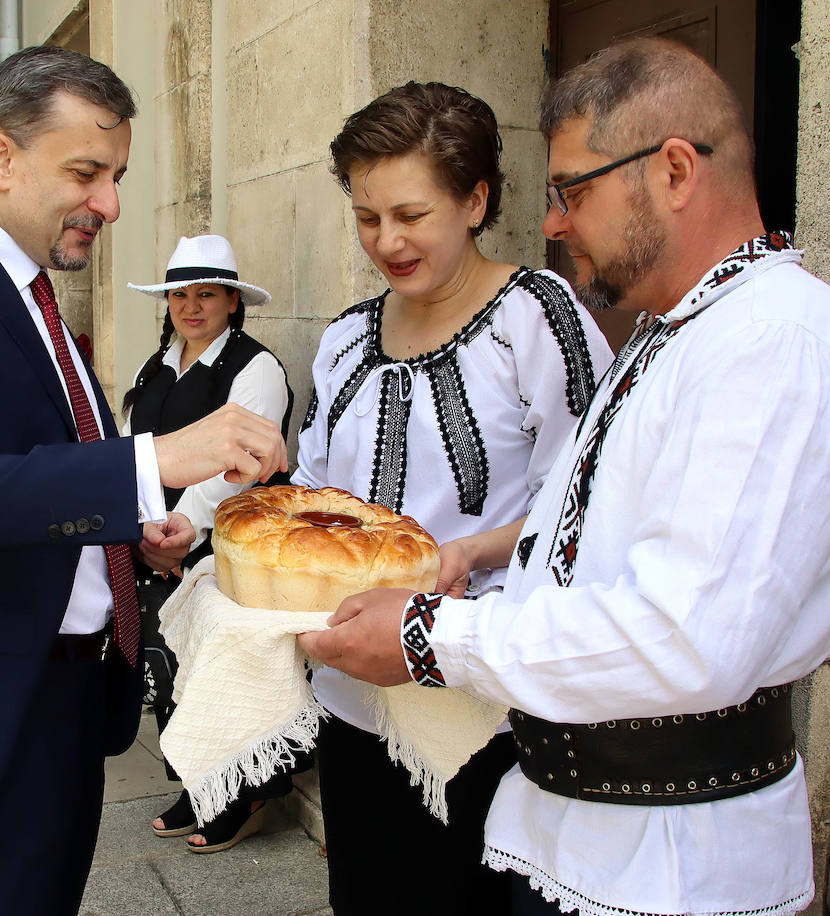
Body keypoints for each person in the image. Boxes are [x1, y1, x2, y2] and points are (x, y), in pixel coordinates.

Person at [300, 37, 830, 916]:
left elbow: (686, 638)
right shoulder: (676, 331)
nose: (551, 222)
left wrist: (434, 636)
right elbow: (580, 540)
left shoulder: (773, 345)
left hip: (671, 864)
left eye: (573, 192)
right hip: (589, 839)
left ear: (674, 171)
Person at [0, 46, 286, 916]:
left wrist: (126, 536)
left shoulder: (34, 295)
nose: (110, 204)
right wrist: (157, 460)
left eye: (116, 176)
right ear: (1, 157)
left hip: (79, 694)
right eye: (87, 172)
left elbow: (36, 475)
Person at [292, 81, 609, 915]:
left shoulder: (538, 318)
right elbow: (314, 490)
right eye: (367, 218)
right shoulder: (346, 338)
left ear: (474, 201)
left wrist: (469, 552)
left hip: (482, 708)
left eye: (410, 214)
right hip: (354, 695)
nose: (387, 240)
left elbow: (584, 502)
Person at [122, 233, 297, 853]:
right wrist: (141, 523)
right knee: (172, 670)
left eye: (206, 295)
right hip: (153, 541)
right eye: (179, 295)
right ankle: (199, 784)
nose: (190, 307)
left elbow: (244, 462)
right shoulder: (156, 365)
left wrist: (185, 526)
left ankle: (244, 793)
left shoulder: (255, 368)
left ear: (231, 301)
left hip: (216, 546)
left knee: (223, 672)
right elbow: (134, 450)